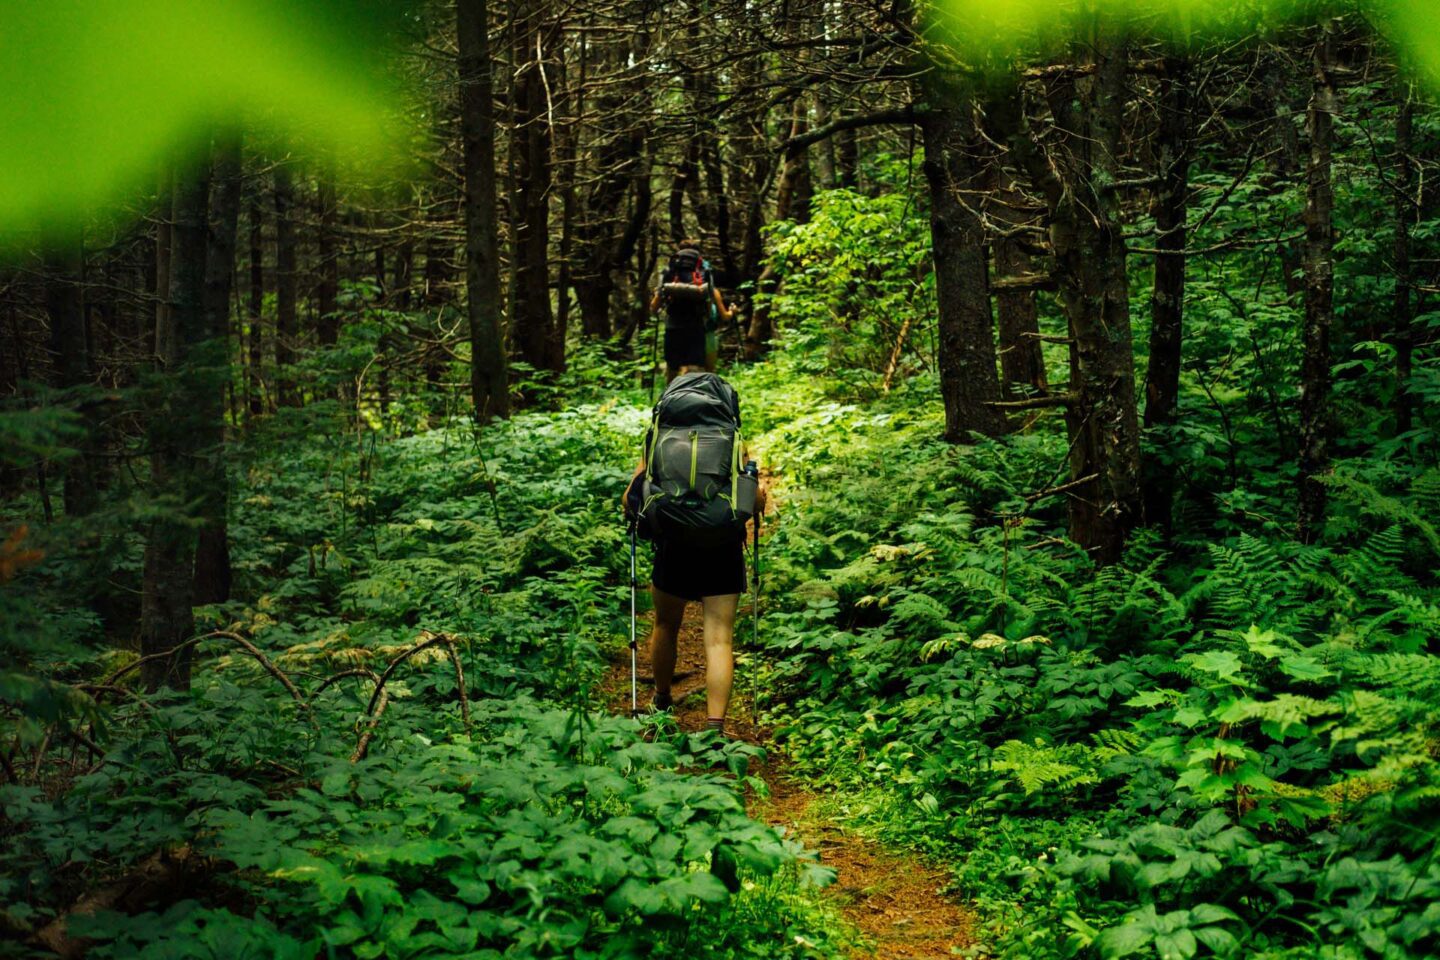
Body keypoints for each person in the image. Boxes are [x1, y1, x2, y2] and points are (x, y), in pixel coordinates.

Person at [625, 365, 762, 734]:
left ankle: (662, 700)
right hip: (722, 546)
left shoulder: (659, 435)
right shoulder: (730, 435)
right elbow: (754, 497)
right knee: (719, 638)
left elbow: (632, 494)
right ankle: (715, 726)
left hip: (674, 544)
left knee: (666, 624)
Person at [649, 240, 735, 379]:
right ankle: (696, 397)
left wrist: (656, 297)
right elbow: (711, 301)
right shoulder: (704, 272)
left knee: (672, 369)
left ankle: (670, 398)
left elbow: (654, 308)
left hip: (673, 327)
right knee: (696, 369)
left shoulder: (669, 272)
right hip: (696, 327)